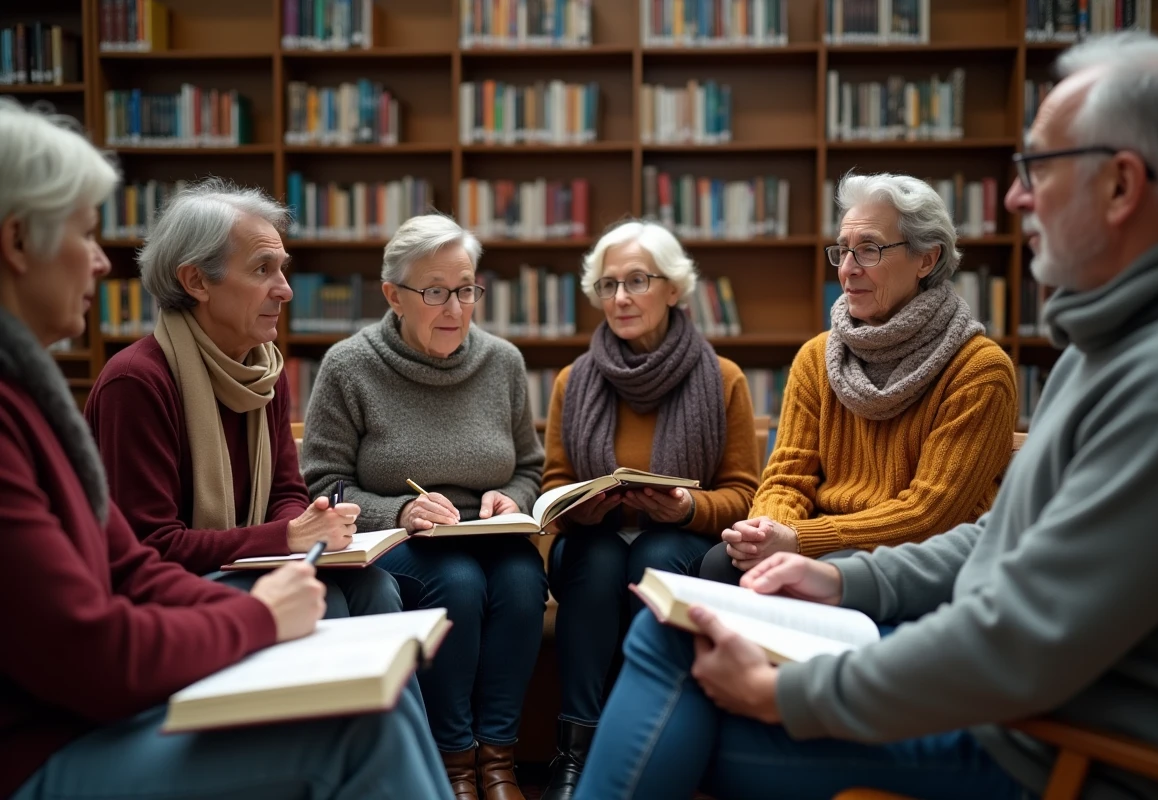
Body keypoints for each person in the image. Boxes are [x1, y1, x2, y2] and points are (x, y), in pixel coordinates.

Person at [572, 31, 1158, 800]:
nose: (1014, 198)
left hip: (1054, 746)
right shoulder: (1106, 350)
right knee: (684, 627)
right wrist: (837, 581)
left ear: (1121, 185)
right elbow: (994, 542)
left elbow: (1013, 632)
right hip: (1007, 700)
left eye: (1037, 166)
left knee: (675, 651)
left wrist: (792, 692)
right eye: (843, 250)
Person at [0, 99, 452, 800]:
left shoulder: (249, 372)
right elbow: (112, 612)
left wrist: (294, 550)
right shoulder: (123, 385)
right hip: (49, 743)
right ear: (18, 240)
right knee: (357, 703)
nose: (100, 261)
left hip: (97, 701)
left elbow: (131, 565)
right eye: (86, 233)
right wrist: (261, 609)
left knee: (367, 627)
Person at [301, 213, 547, 800]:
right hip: (403, 544)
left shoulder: (502, 362)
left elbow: (529, 468)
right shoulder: (349, 366)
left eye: (466, 290)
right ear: (394, 295)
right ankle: (454, 762)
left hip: (490, 536)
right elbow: (325, 485)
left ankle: (499, 759)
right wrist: (398, 513)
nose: (455, 309)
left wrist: (508, 496)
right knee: (456, 583)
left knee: (521, 581)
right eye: (435, 292)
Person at [85, 178, 402, 620]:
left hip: (250, 563)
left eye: (282, 268)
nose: (285, 290)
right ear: (197, 280)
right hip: (164, 590)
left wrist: (309, 526)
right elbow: (150, 545)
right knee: (326, 601)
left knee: (377, 587)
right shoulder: (136, 381)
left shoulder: (262, 370)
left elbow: (286, 493)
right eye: (261, 269)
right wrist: (288, 537)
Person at [700, 171, 1018, 582]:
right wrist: (767, 531)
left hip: (916, 564)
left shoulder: (979, 370)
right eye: (843, 250)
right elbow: (785, 479)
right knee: (720, 564)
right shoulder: (817, 357)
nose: (847, 270)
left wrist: (797, 539)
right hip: (816, 542)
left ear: (927, 259)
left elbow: (928, 515)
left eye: (868, 250)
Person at [538, 219, 760, 799]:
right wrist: (576, 509)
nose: (620, 298)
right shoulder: (574, 380)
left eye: (636, 281)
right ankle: (576, 752)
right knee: (598, 556)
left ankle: (645, 738)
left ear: (673, 288)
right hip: (593, 545)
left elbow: (744, 494)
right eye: (607, 285)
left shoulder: (723, 377)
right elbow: (555, 485)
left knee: (656, 554)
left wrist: (686, 508)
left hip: (680, 544)